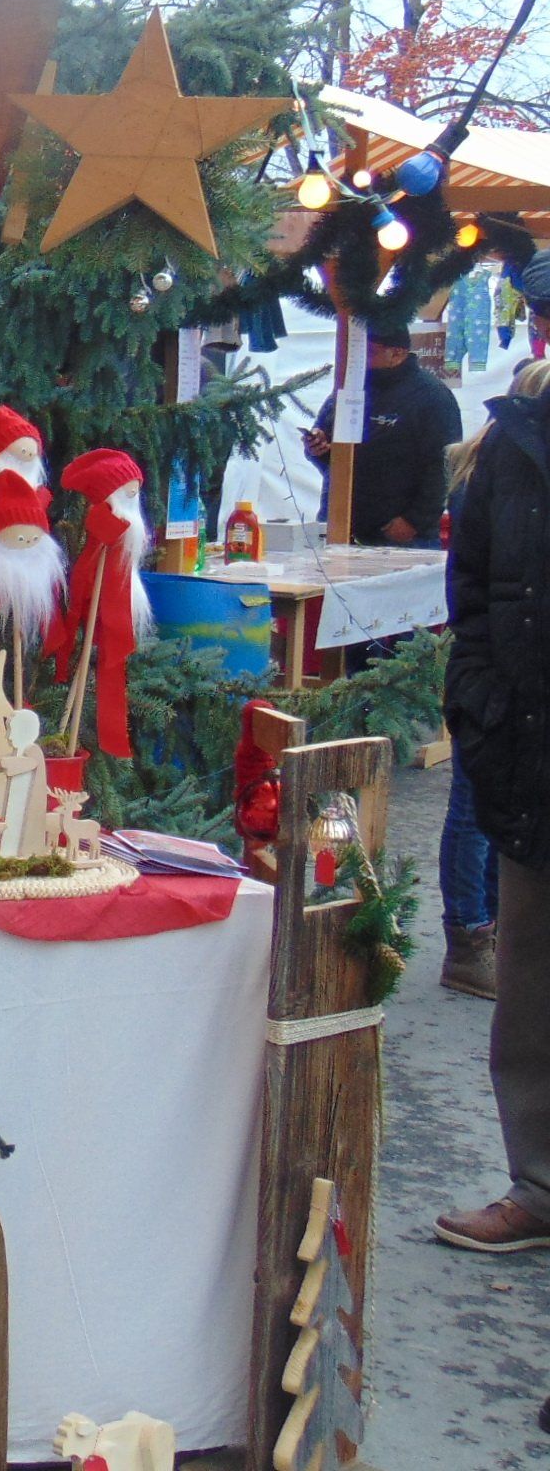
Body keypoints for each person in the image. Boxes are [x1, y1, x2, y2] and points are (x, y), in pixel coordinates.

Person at [436, 260, 550, 1254]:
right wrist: (479, 699)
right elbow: (470, 584)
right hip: (532, 747)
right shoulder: (511, 446)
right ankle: (539, 1187)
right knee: (531, 990)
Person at [434, 360, 550, 1000]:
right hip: (508, 704)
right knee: (474, 809)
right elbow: (472, 589)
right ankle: (470, 931)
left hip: (512, 705)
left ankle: (484, 929)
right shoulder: (503, 456)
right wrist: (477, 690)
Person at [301, 325, 461, 546]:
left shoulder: (431, 397)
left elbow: (445, 464)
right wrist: (317, 447)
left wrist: (415, 521)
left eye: (368, 352)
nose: (360, 359)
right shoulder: (349, 388)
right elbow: (328, 447)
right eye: (355, 351)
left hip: (398, 536)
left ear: (397, 354)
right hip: (338, 526)